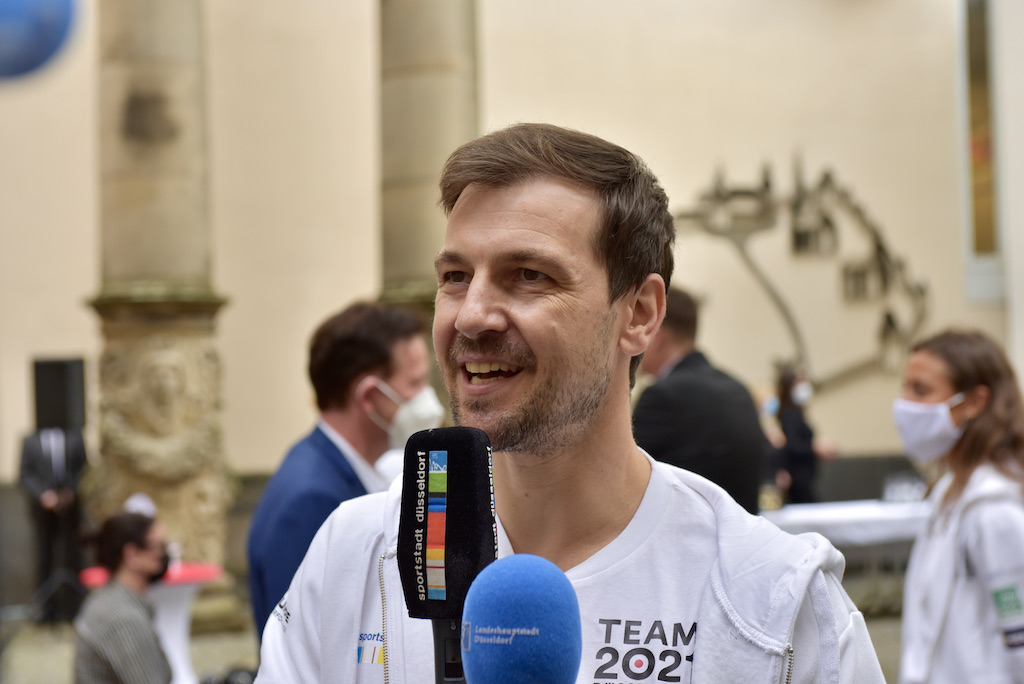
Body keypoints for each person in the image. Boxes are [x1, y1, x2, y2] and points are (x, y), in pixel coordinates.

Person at [255, 123, 884, 683]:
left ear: (639, 314)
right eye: (454, 277)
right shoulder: (356, 559)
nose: (471, 315)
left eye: (530, 275)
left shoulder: (773, 602)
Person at [246, 302, 444, 640]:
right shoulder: (312, 499)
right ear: (369, 397)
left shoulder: (337, 470)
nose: (427, 399)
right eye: (415, 384)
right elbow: (306, 642)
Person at [894, 330, 1024, 683]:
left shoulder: (995, 511)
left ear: (974, 402)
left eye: (921, 390)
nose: (904, 404)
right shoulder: (949, 493)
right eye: (905, 387)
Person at [632, 287, 768, 513]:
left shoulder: (663, 396)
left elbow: (625, 482)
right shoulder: (737, 388)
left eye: (639, 327)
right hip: (739, 536)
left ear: (657, 337)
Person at [74, 512, 172, 684]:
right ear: (132, 555)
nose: (165, 555)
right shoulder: (124, 619)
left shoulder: (109, 600)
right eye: (159, 547)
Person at [19, 425, 88, 622]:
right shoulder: (30, 440)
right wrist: (43, 495)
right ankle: (46, 611)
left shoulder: (74, 437)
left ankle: (73, 608)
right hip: (42, 510)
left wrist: (71, 491)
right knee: (44, 557)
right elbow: (25, 474)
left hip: (71, 509)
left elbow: (84, 468)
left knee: (72, 557)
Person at [771, 366, 836, 503]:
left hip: (805, 478)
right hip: (797, 479)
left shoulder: (796, 414)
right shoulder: (790, 415)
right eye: (799, 384)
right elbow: (792, 446)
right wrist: (815, 448)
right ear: (789, 388)